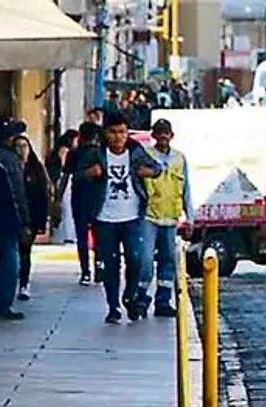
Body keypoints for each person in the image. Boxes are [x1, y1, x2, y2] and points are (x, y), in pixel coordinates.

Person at [77, 112, 162, 324]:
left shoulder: (135, 152)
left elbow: (158, 168)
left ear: (127, 133)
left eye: (122, 132)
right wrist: (90, 174)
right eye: (113, 132)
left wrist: (148, 173)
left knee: (136, 259)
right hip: (105, 218)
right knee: (110, 263)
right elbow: (77, 176)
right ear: (106, 133)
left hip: (132, 217)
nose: (118, 137)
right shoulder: (96, 154)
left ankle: (130, 295)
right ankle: (113, 306)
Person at [140, 119, 193, 318]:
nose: (163, 136)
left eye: (166, 133)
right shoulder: (145, 155)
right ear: (153, 135)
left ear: (171, 135)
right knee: (145, 262)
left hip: (170, 218)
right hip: (148, 216)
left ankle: (163, 301)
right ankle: (141, 298)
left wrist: (190, 218)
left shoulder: (180, 159)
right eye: (159, 133)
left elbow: (186, 189)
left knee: (168, 261)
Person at [0, 117, 29, 321]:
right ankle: (3, 303)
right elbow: (17, 193)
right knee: (10, 261)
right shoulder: (8, 160)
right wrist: (25, 222)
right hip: (5, 220)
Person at [12, 134, 52, 302]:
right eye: (18, 146)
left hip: (30, 218)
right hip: (11, 216)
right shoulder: (8, 168)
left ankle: (24, 284)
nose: (22, 150)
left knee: (24, 251)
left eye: (25, 146)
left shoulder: (36, 170)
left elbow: (43, 197)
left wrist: (41, 223)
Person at [67, 122, 104, 285]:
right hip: (96, 198)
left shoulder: (73, 153)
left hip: (80, 198)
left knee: (82, 236)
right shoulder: (100, 153)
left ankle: (86, 272)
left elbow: (66, 176)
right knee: (99, 236)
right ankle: (98, 268)